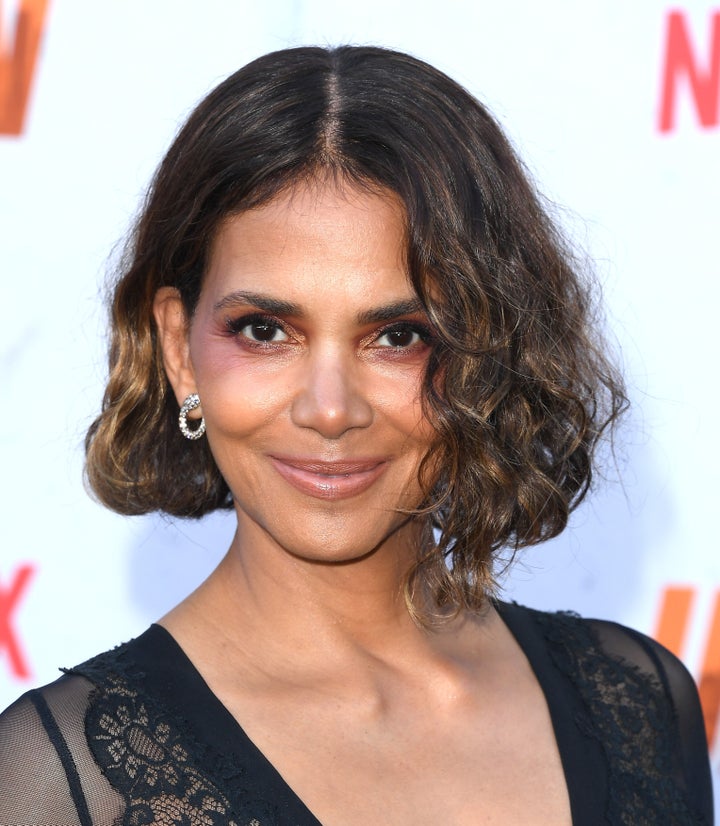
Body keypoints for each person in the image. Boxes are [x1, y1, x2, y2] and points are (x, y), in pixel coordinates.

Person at [0, 45, 712, 825]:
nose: (330, 410)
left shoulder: (638, 703)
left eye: (399, 335)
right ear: (179, 349)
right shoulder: (65, 776)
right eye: (265, 330)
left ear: (487, 349)